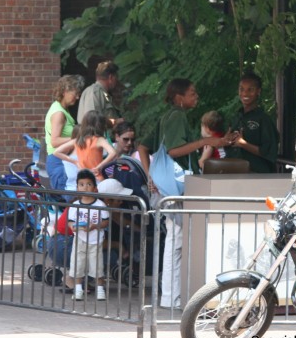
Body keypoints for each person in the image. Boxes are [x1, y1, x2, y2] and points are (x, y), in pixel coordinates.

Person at [137, 78, 234, 309]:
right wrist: (206, 141)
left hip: (166, 186)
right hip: (174, 187)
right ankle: (171, 296)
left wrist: (151, 175)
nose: (196, 96)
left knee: (174, 238)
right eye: (192, 93)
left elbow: (142, 146)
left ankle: (171, 295)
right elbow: (173, 150)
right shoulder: (177, 117)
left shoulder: (166, 116)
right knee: (176, 240)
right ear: (179, 97)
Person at [68, 169, 108, 301]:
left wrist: (95, 226)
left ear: (95, 188)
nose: (85, 187)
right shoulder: (74, 205)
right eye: (82, 184)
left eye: (89, 184)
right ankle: (78, 289)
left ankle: (100, 289)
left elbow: (106, 221)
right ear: (77, 187)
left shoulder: (100, 205)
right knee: (78, 264)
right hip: (79, 238)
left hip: (95, 240)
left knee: (97, 265)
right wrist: (73, 227)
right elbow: (70, 222)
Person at [226, 72, 279, 173]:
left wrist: (243, 144)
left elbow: (269, 152)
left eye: (250, 90)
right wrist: (227, 140)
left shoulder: (264, 119)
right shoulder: (236, 117)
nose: (245, 93)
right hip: (234, 175)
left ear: (258, 91)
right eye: (242, 89)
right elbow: (229, 148)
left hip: (257, 176)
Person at [45, 74, 85, 191]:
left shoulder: (61, 109)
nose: (77, 97)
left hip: (61, 160)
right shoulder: (59, 113)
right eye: (75, 93)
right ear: (65, 91)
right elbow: (55, 141)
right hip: (59, 162)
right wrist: (78, 138)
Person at [54, 110, 117, 182]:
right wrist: (99, 166)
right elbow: (113, 153)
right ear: (100, 125)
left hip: (82, 180)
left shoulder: (78, 140)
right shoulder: (99, 140)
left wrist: (75, 162)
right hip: (96, 178)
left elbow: (56, 152)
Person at [77, 61, 123, 129]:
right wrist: (115, 121)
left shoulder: (102, 92)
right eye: (116, 78)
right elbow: (92, 120)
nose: (116, 81)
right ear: (111, 77)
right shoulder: (94, 92)